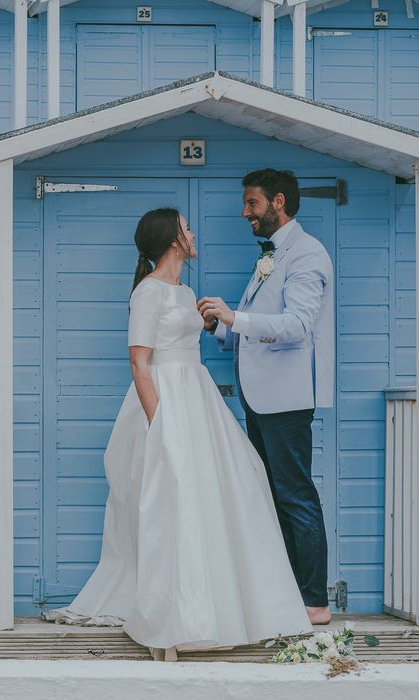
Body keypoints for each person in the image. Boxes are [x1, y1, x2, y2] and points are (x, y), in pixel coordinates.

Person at [44, 208, 312, 660]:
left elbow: (187, 341)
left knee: (229, 488)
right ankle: (175, 613)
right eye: (186, 228)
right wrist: (160, 423)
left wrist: (209, 320)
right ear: (173, 240)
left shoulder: (186, 290)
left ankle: (229, 605)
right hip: (164, 399)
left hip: (198, 395)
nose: (193, 233)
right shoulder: (147, 293)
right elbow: (139, 363)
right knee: (173, 496)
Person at [197, 169, 334, 626]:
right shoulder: (272, 256)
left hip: (286, 400)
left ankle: (314, 600)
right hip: (260, 399)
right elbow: (252, 328)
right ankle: (287, 592)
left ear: (278, 202)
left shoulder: (307, 255)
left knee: (296, 496)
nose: (245, 213)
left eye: (252, 204)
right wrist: (219, 326)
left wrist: (235, 317)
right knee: (273, 496)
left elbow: (296, 325)